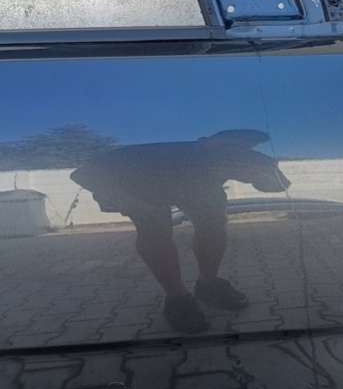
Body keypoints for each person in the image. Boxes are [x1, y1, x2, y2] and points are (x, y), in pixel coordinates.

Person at [71, 130, 290, 331]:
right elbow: (81, 175)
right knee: (155, 229)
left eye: (244, 150)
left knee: (213, 222)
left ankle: (208, 284)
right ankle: (177, 298)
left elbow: (278, 185)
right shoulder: (164, 157)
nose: (239, 154)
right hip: (136, 184)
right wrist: (123, 198)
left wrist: (267, 173)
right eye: (231, 149)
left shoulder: (242, 160)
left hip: (194, 183)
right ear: (208, 144)